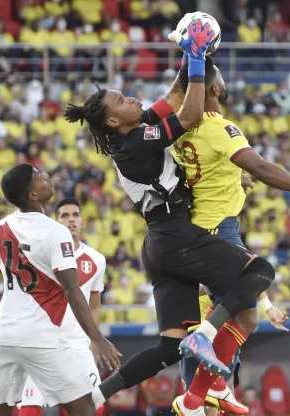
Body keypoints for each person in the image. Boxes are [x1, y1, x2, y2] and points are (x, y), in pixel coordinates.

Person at [64, 21, 279, 412]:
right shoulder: (130, 144)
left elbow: (176, 93)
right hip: (175, 236)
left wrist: (191, 51)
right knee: (260, 271)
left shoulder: (135, 127)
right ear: (113, 121)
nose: (133, 99)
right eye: (123, 101)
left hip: (159, 246)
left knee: (167, 345)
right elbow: (192, 110)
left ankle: (95, 397)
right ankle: (209, 342)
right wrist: (197, 58)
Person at [171, 56, 290, 416]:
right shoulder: (219, 128)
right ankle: (199, 386)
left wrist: (193, 57)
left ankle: (200, 395)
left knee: (247, 312)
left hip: (201, 227)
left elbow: (207, 166)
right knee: (252, 295)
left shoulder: (180, 128)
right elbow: (263, 168)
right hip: (218, 229)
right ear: (215, 89)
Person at [0, 164, 121, 416]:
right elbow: (72, 291)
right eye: (39, 177)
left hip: (4, 335)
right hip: (41, 336)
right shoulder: (57, 233)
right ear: (33, 194)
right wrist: (97, 338)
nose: (46, 177)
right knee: (85, 409)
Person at [18, 197, 107, 416]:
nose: (71, 220)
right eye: (64, 216)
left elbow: (94, 305)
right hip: (43, 343)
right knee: (29, 408)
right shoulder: (40, 256)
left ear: (83, 222)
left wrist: (94, 340)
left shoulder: (96, 260)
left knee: (94, 406)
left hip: (78, 346)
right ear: (56, 222)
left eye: (75, 215)